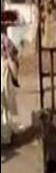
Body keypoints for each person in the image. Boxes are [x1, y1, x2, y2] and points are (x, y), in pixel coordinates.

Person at [1, 18, 20, 146]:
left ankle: (5, 135)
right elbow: (14, 55)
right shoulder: (4, 39)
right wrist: (15, 77)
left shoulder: (4, 39)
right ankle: (5, 136)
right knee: (4, 105)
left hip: (3, 70)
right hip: (3, 71)